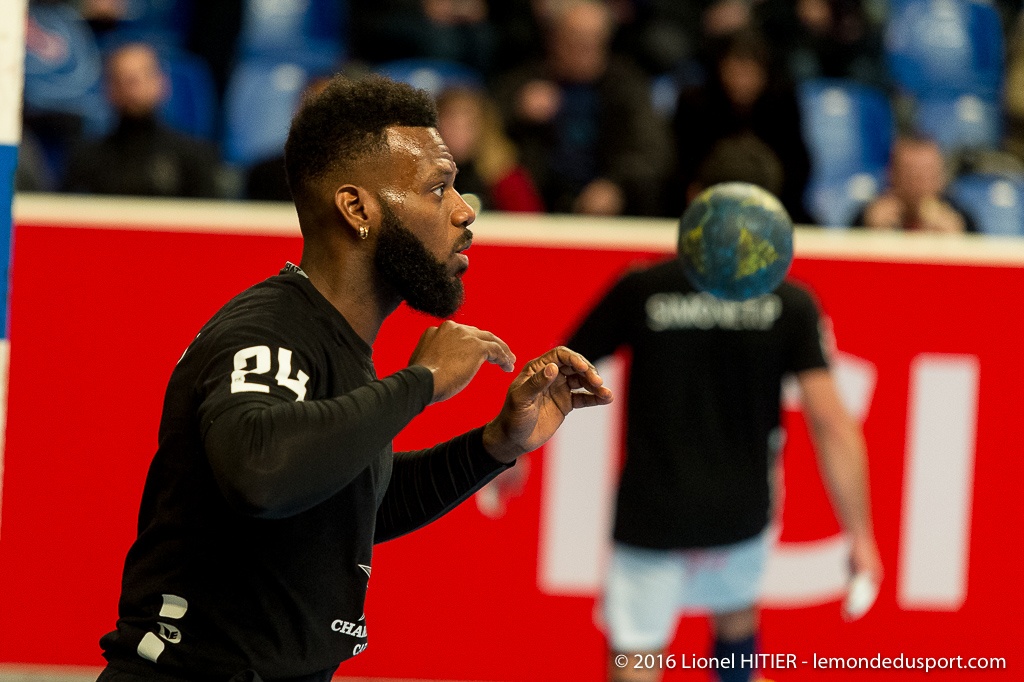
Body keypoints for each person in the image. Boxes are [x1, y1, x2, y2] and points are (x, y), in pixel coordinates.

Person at [96, 74, 613, 681]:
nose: (464, 210)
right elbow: (260, 472)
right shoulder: (268, 331)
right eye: (437, 187)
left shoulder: (335, 340)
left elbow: (346, 499)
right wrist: (422, 381)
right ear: (357, 209)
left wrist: (494, 445)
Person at [567, 149, 882, 682]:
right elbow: (831, 423)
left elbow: (557, 374)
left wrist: (509, 452)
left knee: (636, 658)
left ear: (695, 202)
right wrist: (861, 534)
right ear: (770, 213)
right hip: (739, 512)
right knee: (736, 630)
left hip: (652, 512)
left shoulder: (643, 288)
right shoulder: (789, 303)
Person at [494, 0, 672, 216]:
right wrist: (517, 110)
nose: (585, 47)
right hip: (536, 209)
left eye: (595, 39)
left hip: (614, 211)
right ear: (554, 38)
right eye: (576, 38)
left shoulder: (627, 85)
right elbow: (484, 133)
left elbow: (651, 150)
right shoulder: (523, 82)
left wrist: (616, 185)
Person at [669, 29, 811, 221]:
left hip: (773, 207)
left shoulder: (782, 105)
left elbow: (798, 165)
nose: (742, 81)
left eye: (749, 72)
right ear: (721, 68)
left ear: (764, 72)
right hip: (706, 207)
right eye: (735, 71)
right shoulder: (696, 105)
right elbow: (681, 165)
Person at [64, 42, 220, 198]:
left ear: (162, 82)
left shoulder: (193, 156)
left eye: (139, 78)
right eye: (121, 79)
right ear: (108, 88)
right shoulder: (86, 158)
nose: (131, 88)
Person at [435, 86, 545, 213]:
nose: (458, 133)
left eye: (468, 124)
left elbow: (529, 221)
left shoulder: (506, 177)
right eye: (451, 124)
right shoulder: (421, 176)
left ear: (484, 128)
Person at [856, 134, 975, 233]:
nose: (918, 184)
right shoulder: (869, 217)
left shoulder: (960, 220)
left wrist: (957, 240)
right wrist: (868, 230)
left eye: (926, 173)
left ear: (941, 177)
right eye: (910, 174)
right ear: (892, 175)